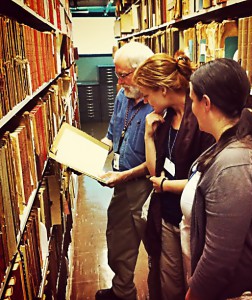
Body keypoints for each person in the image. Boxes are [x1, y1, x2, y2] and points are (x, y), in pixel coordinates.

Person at [182, 58, 252, 300]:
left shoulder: (233, 165)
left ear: (206, 103)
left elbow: (219, 258)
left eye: (192, 99)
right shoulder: (240, 140)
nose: (191, 107)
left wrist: (193, 295)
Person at [133, 52, 215, 300]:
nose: (146, 102)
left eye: (147, 95)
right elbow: (153, 170)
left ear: (164, 89)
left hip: (194, 219)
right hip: (167, 215)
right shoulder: (165, 118)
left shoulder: (202, 118)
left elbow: (205, 181)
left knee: (194, 284)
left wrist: (166, 186)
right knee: (170, 284)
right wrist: (148, 136)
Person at [95, 41, 154, 300]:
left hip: (148, 186)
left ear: (141, 70)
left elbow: (157, 162)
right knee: (118, 241)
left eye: (122, 75)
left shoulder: (158, 104)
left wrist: (125, 175)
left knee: (157, 249)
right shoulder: (123, 96)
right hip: (121, 182)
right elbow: (111, 135)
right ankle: (122, 291)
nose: (118, 83)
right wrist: (86, 155)